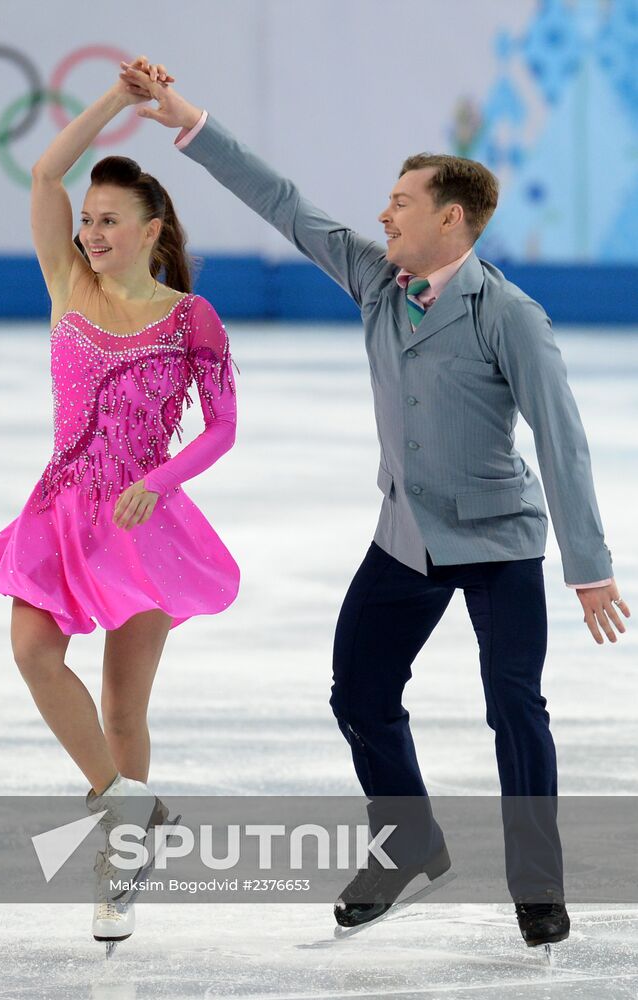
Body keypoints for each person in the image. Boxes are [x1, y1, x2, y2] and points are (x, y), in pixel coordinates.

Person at [117, 55, 631, 951]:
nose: (383, 213)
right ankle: (407, 845)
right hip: (405, 539)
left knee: (515, 707)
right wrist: (185, 117)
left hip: (500, 542)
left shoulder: (511, 316)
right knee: (359, 692)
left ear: (451, 218)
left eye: (401, 200)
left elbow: (563, 440)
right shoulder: (373, 280)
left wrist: (589, 569)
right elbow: (284, 201)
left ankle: (537, 885)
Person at [0, 70, 240, 947]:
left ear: (152, 229)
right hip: (59, 511)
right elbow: (45, 176)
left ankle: (119, 876)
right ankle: (127, 803)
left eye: (109, 219)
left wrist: (158, 483)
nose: (91, 231)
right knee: (33, 650)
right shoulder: (67, 286)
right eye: (89, 220)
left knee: (125, 709)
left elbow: (222, 430)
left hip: (141, 523)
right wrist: (118, 106)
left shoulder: (192, 318)